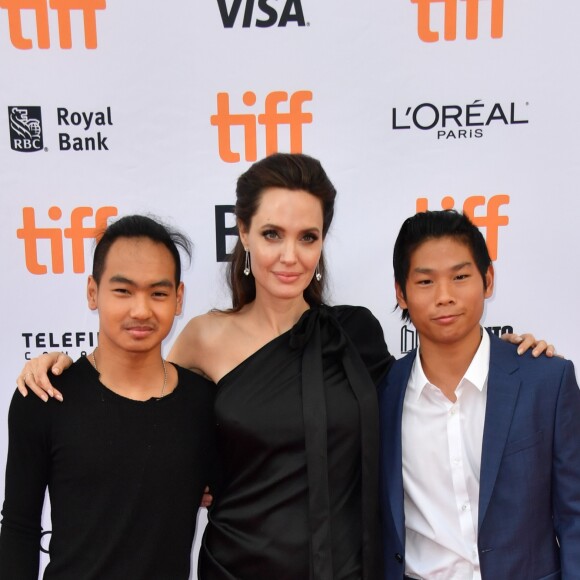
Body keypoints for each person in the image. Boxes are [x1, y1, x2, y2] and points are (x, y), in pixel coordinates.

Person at [14, 155, 552, 580]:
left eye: (307, 237)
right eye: (272, 234)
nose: (289, 255)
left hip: (349, 567)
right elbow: (145, 412)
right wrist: (63, 368)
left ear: (322, 242)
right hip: (239, 566)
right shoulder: (202, 337)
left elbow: (422, 394)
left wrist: (507, 358)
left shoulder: (354, 333)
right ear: (243, 233)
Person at [0, 215, 216, 579]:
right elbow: (20, 527)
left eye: (158, 293)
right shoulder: (45, 396)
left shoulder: (204, 404)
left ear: (178, 299)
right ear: (92, 292)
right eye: (123, 291)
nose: (141, 310)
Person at [378, 210, 580, 579]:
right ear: (400, 292)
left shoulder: (546, 381)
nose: (444, 296)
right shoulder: (381, 393)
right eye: (425, 282)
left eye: (460, 277)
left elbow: (575, 515)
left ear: (487, 280)